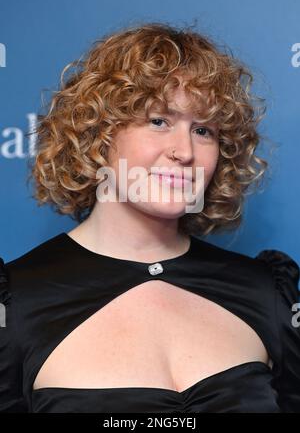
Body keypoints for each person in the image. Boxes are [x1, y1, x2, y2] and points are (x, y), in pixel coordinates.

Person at [0, 22, 299, 413]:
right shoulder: (17, 303)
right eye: (159, 121)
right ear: (99, 135)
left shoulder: (267, 292)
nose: (184, 151)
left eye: (204, 130)